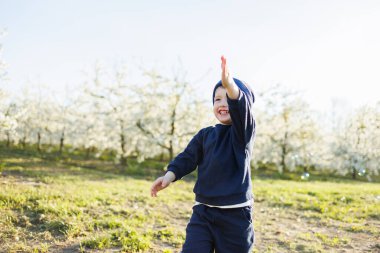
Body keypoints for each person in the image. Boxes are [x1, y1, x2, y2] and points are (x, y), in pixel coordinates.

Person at [151, 55, 255, 253]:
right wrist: (169, 176)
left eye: (228, 98)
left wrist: (230, 84)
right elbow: (187, 158)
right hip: (203, 212)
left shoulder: (242, 134)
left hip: (235, 217)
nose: (222, 103)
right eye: (217, 99)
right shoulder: (205, 135)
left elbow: (241, 107)